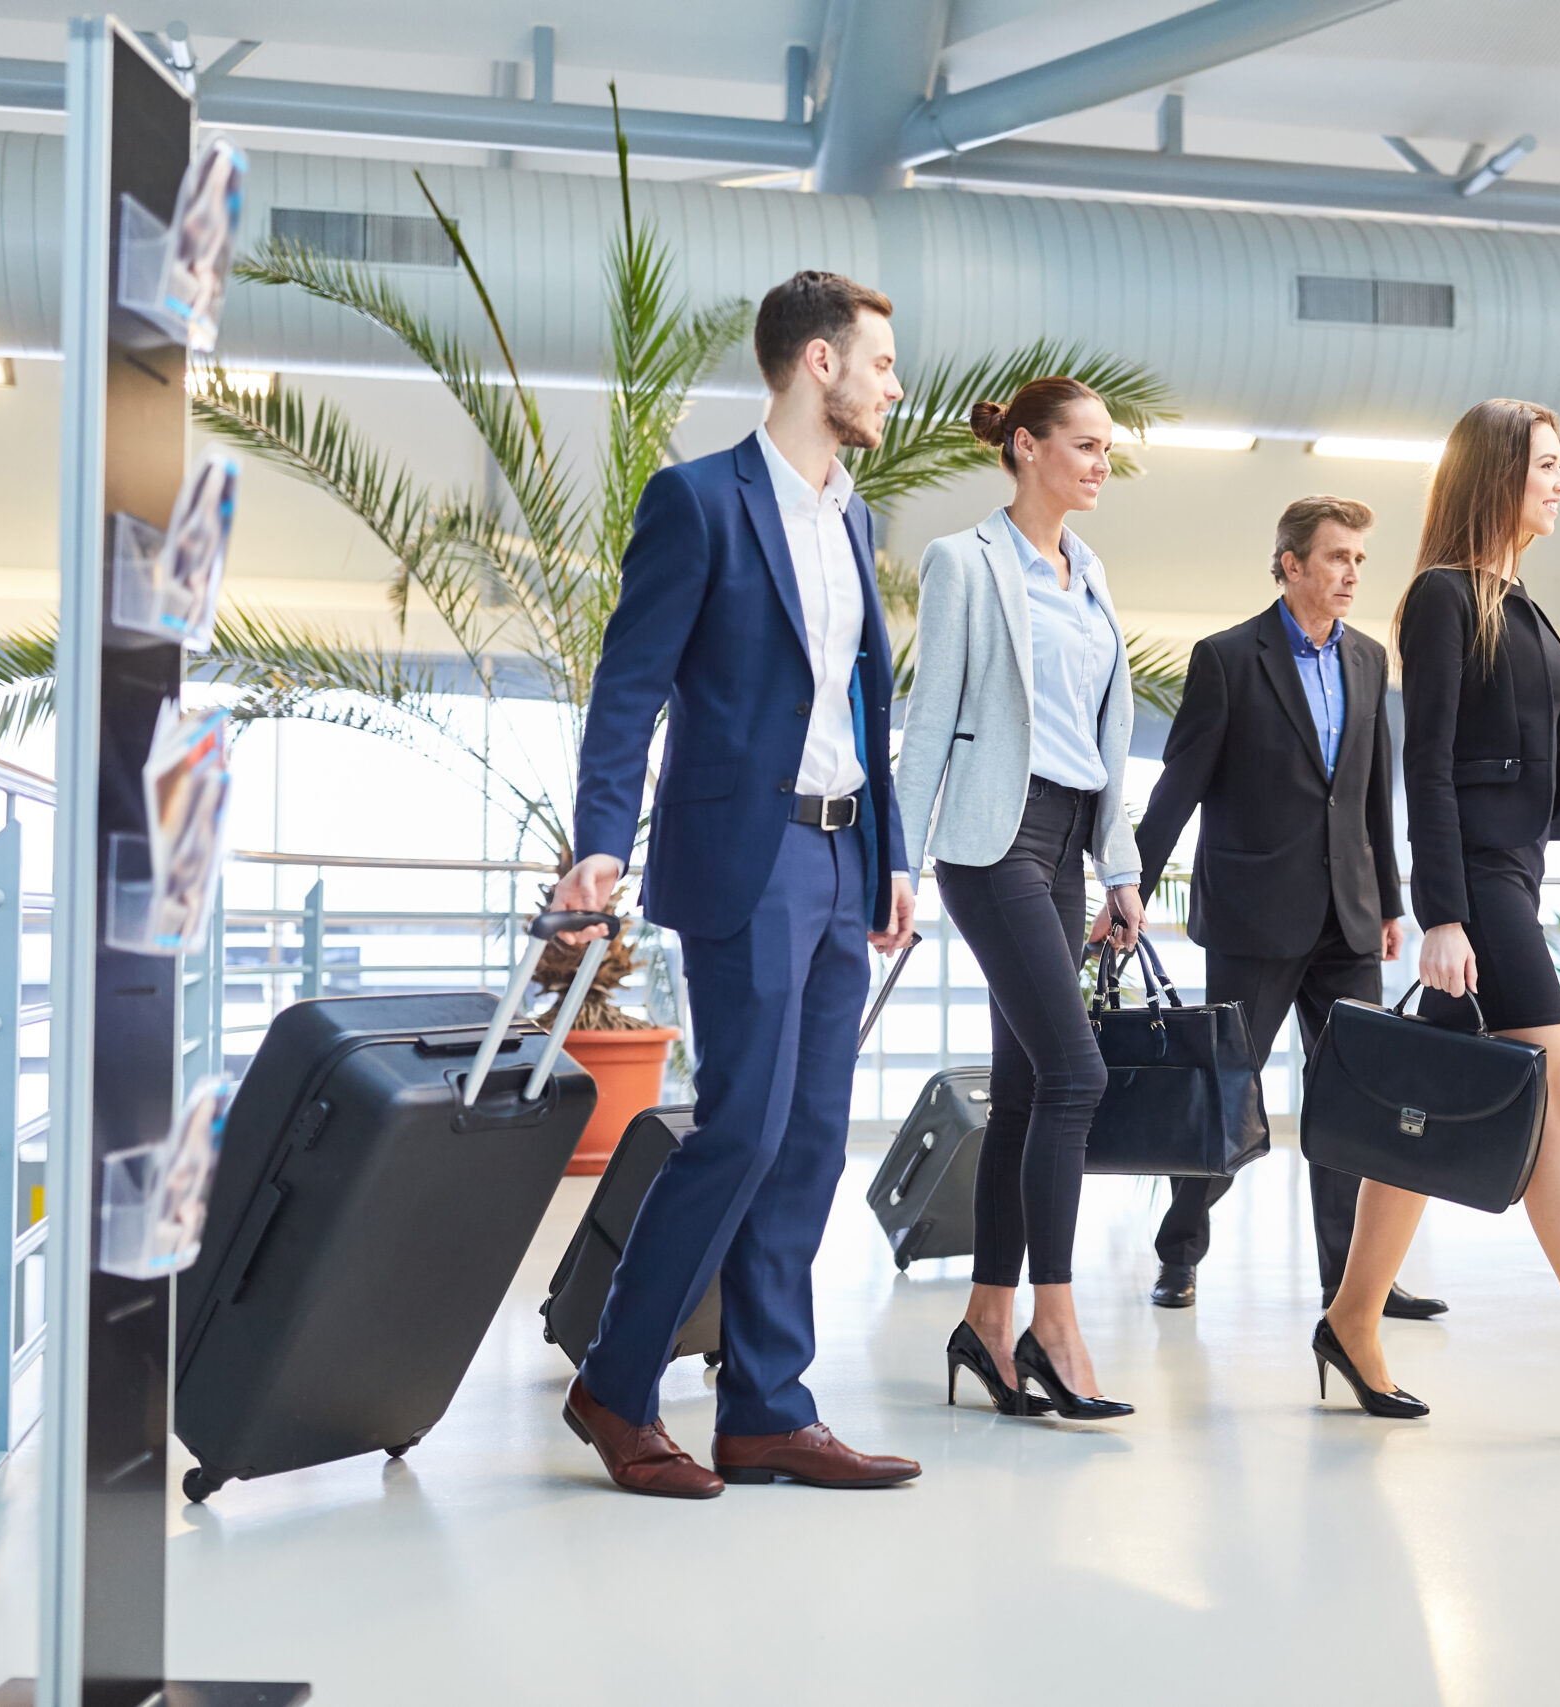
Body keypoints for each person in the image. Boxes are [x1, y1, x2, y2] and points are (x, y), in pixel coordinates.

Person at [551, 271, 924, 1497]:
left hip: (841, 852)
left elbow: (869, 705)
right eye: (878, 363)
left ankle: (768, 1407)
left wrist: (894, 856)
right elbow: (631, 681)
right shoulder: (699, 502)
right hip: (745, 854)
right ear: (817, 364)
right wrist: (599, 835)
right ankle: (615, 1382)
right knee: (743, 1129)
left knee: (811, 1138)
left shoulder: (853, 521)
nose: (892, 384)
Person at [1316, 397, 1560, 1451]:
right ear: (1498, 475)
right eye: (1546, 463)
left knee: (1431, 1099)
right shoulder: (1446, 599)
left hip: (1514, 878)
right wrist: (1442, 912)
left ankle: (1351, 1321)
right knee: (1556, 1100)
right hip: (1478, 885)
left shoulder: (1514, 600)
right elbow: (1426, 763)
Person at [1125, 496, 1446, 1322]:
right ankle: (1179, 1251)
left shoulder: (1371, 660)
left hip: (1349, 917)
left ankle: (1352, 1281)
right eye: (1335, 557)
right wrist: (1128, 885)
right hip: (1252, 918)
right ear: (1290, 563)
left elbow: (1375, 791)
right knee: (1225, 1094)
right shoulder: (1228, 659)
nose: (1349, 573)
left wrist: (1390, 903)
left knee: (1350, 1102)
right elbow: (1179, 786)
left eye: (1358, 560)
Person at [895, 377, 1146, 1422]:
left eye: (1105, 450)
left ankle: (986, 1323)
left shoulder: (1090, 577)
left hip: (1068, 845)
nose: (1100, 464)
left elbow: (1107, 743)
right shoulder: (965, 563)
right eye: (1083, 446)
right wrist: (896, 868)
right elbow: (933, 717)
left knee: (1032, 1091)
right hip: (991, 844)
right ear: (1027, 449)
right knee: (1077, 1077)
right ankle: (1055, 1322)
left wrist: (1121, 869)